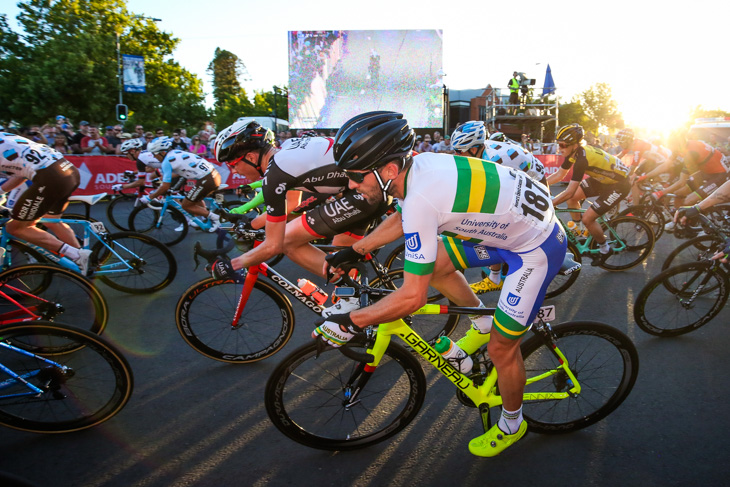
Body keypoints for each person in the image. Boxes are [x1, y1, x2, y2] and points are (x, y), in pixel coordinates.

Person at [313, 111, 566, 457]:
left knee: (501, 349)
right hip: (512, 229)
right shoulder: (419, 166)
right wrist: (356, 249)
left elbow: (413, 297)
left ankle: (512, 422)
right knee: (435, 266)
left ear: (388, 170)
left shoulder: (421, 197)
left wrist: (350, 321)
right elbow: (402, 217)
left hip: (535, 249)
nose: (352, 185)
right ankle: (482, 319)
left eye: (356, 177)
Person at [209, 118, 393, 315]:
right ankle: (363, 309)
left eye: (233, 164)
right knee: (341, 261)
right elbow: (293, 204)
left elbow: (274, 245)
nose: (233, 170)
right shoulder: (287, 150)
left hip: (364, 194)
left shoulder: (274, 174)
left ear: (252, 158)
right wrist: (253, 223)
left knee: (288, 240)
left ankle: (356, 300)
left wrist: (233, 264)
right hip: (371, 190)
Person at [451, 120, 549, 291]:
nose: (457, 155)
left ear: (474, 149)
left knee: (495, 226)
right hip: (519, 176)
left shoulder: (494, 161)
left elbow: (492, 196)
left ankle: (495, 279)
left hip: (535, 183)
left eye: (460, 151)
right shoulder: (482, 152)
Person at [0, 131, 92, 274]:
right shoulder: (6, 137)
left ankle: (76, 255)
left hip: (50, 177)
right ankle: (85, 266)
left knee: (15, 228)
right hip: (67, 171)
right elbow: (20, 175)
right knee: (52, 222)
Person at [547, 123, 631, 266]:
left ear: (574, 145)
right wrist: (536, 185)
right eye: (559, 144)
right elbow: (560, 175)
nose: (560, 148)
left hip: (619, 184)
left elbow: (569, 191)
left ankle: (605, 248)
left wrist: (549, 204)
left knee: (588, 218)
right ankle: (580, 231)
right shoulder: (573, 152)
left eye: (563, 145)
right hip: (604, 179)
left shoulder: (581, 160)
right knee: (573, 200)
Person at [639, 131, 730, 232]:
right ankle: (678, 221)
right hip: (707, 172)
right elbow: (666, 165)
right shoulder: (681, 147)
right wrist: (645, 176)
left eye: (670, 144)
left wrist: (660, 193)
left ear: (676, 144)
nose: (669, 147)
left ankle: (693, 226)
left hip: (719, 175)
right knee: (679, 193)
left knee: (689, 201)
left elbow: (682, 182)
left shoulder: (690, 153)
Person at [142, 137, 222, 231]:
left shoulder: (166, 161)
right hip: (211, 176)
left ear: (162, 152)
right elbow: (178, 173)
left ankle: (215, 218)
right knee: (192, 197)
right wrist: (161, 179)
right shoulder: (175, 153)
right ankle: (204, 217)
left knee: (186, 205)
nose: (153, 157)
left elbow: (165, 186)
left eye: (154, 154)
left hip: (207, 179)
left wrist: (149, 197)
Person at [616, 128, 673, 205]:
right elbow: (618, 157)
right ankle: (640, 197)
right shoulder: (632, 143)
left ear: (628, 140)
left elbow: (633, 166)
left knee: (634, 181)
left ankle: (636, 208)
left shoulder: (638, 145)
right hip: (652, 161)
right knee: (633, 177)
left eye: (621, 141)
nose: (620, 143)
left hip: (660, 162)